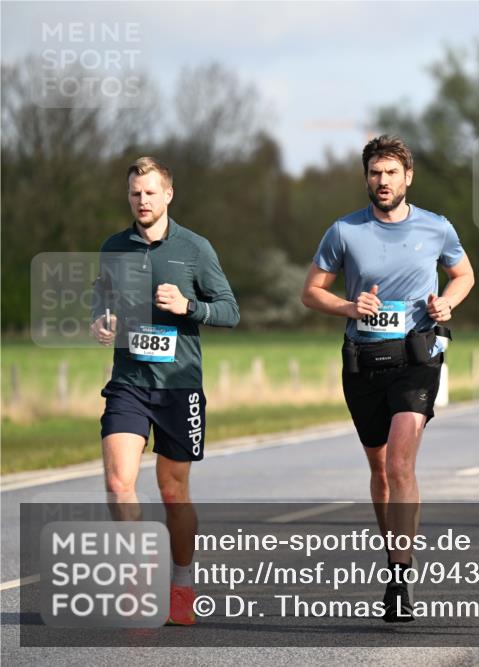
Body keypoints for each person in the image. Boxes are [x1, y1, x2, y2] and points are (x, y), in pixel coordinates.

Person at [301, 135, 474, 621]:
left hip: (418, 357)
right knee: (379, 470)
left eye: (391, 173)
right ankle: (393, 555)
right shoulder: (344, 232)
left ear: (408, 177)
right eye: (375, 173)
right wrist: (349, 306)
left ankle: (401, 575)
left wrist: (447, 304)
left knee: (400, 464)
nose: (383, 181)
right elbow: (311, 292)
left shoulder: (436, 228)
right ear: (366, 178)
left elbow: (464, 275)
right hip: (364, 362)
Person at [90, 157, 240, 626]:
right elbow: (101, 298)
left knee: (173, 492)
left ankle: (181, 580)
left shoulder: (196, 249)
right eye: (135, 193)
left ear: (168, 195)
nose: (142, 201)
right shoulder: (113, 247)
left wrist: (188, 305)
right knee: (119, 483)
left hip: (179, 387)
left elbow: (230, 311)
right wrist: (101, 320)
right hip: (129, 383)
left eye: (151, 192)